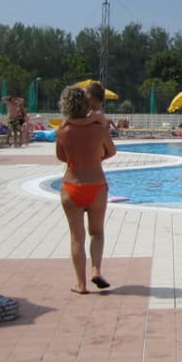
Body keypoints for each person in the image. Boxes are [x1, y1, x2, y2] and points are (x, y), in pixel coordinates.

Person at [56, 85, 116, 295]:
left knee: (76, 237)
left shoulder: (63, 131)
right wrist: (96, 158)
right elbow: (112, 151)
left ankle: (81, 285)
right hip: (96, 185)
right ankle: (96, 270)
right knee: (96, 233)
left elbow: (61, 157)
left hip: (72, 186)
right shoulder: (99, 129)